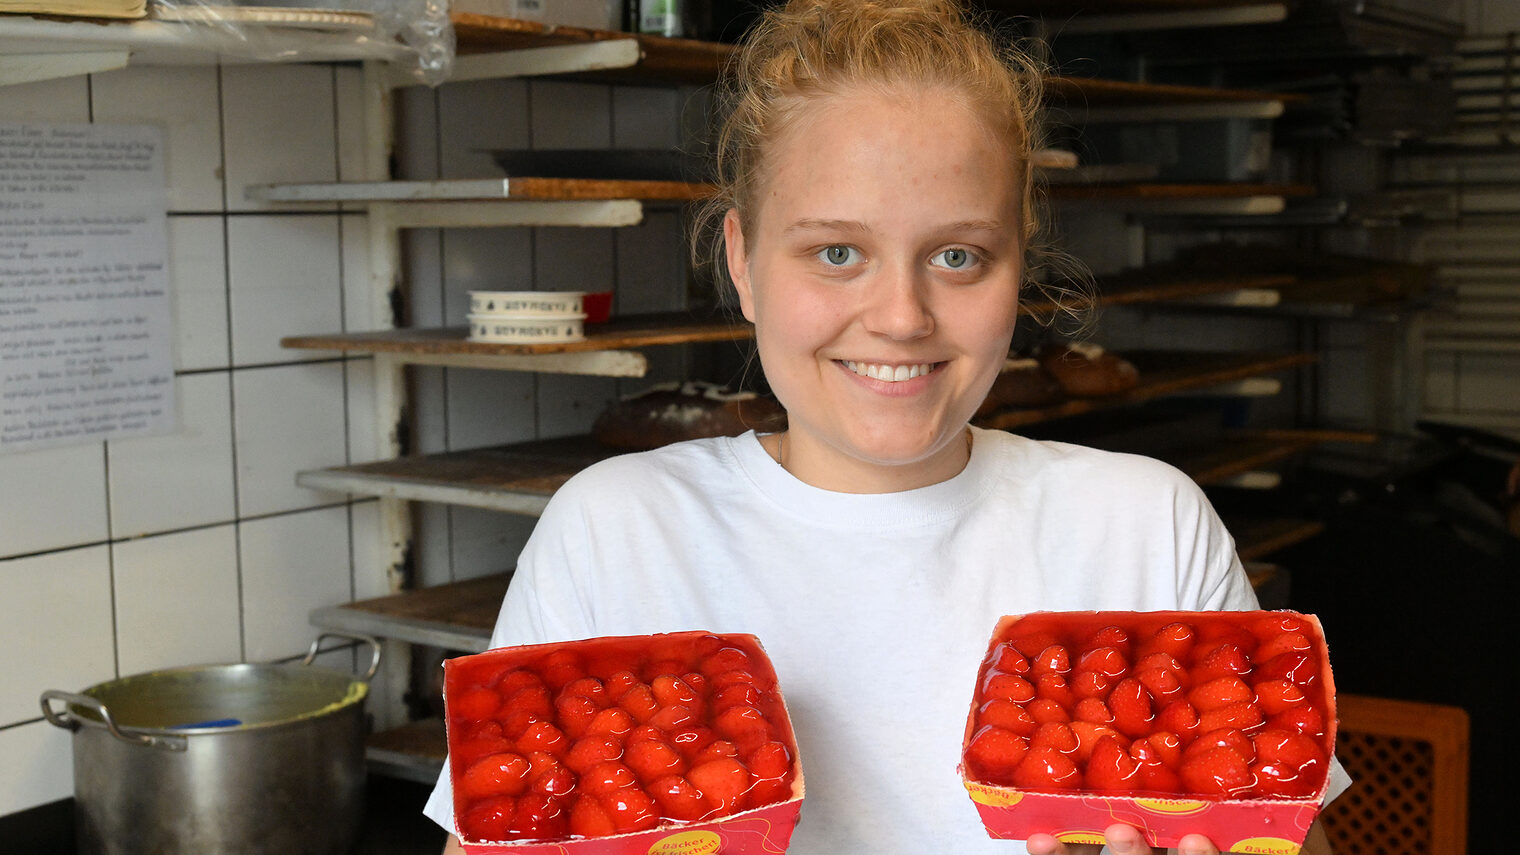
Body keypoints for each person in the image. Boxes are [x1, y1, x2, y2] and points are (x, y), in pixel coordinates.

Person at [425, 1, 1347, 852]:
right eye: (837, 252)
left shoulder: (1145, 525)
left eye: (958, 255)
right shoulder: (616, 531)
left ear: (1017, 264)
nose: (901, 317)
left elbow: (1296, 828)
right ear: (742, 261)